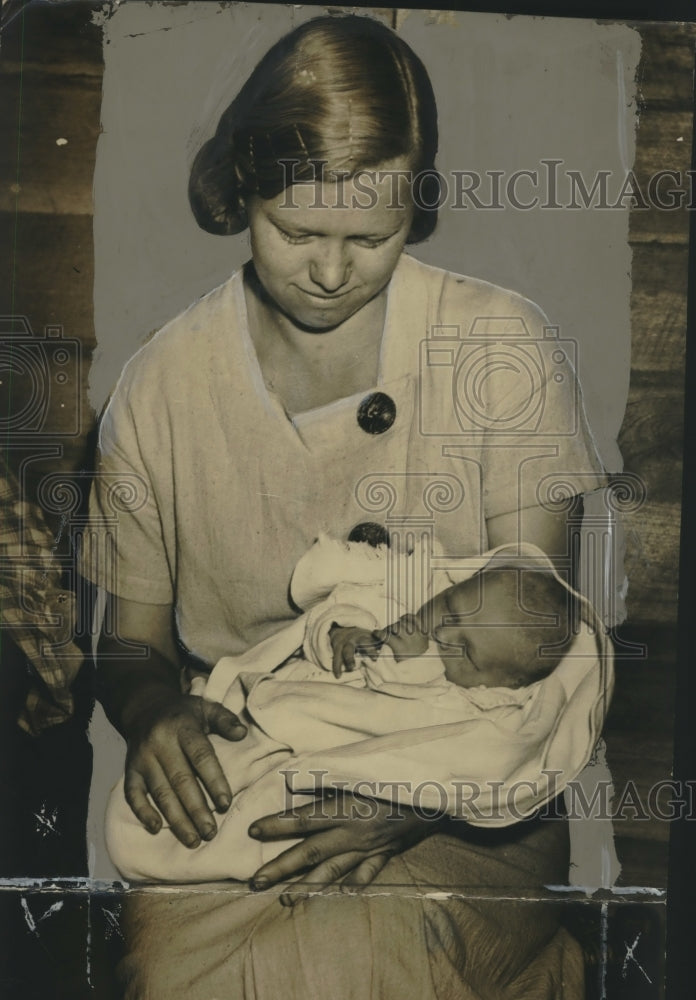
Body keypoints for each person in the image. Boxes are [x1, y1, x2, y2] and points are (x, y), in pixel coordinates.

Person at [81, 14, 608, 998]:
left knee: (351, 966)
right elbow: (128, 649)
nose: (332, 272)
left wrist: (408, 798)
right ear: (242, 190)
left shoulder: (503, 346)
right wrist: (155, 713)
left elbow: (543, 643)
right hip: (250, 794)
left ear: (419, 204)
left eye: (373, 236)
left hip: (472, 808)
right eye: (297, 232)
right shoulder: (159, 388)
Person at [105, 535, 611, 885]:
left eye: (468, 651)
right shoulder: (407, 607)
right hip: (280, 710)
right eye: (452, 610)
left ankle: (206, 856)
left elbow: (477, 759)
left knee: (270, 818)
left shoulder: (485, 706)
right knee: (217, 766)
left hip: (338, 769)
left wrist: (407, 668)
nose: (442, 636)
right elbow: (339, 610)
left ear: (504, 683)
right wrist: (343, 632)